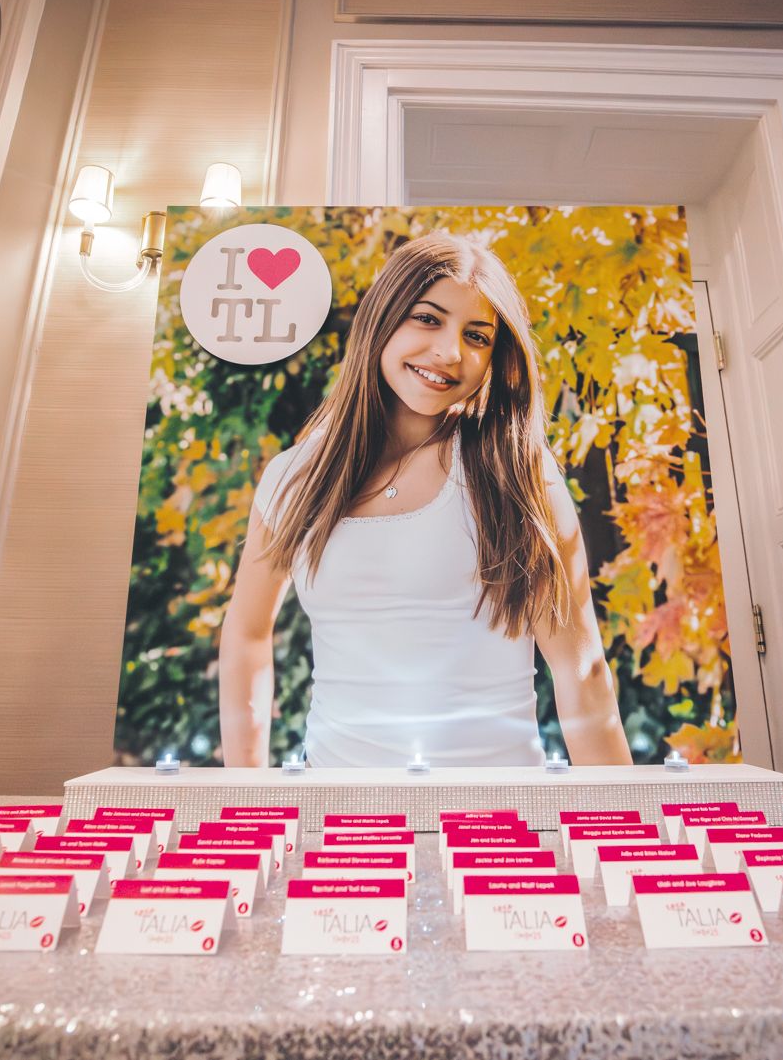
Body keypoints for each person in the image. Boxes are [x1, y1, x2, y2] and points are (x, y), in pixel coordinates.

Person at [218, 232, 632, 769]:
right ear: (382, 319)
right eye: (428, 319)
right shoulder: (294, 477)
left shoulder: (513, 471)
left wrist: (621, 815)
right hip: (339, 807)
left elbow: (582, 670)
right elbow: (247, 634)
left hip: (496, 810)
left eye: (477, 336)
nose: (450, 352)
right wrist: (247, 791)